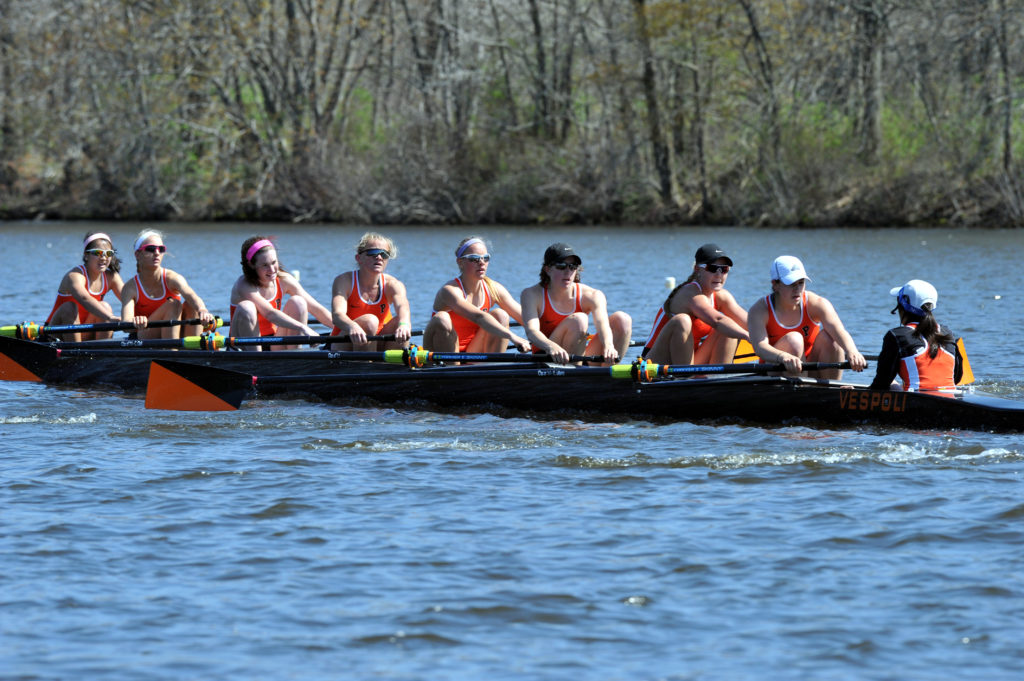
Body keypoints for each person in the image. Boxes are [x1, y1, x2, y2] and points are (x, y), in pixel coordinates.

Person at [747, 255, 866, 379]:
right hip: (775, 370)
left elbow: (838, 330)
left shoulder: (817, 304)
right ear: (775, 284)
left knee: (833, 339)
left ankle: (830, 391)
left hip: (808, 368)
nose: (797, 289)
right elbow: (760, 348)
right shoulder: (759, 310)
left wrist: (852, 351)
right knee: (794, 340)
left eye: (801, 283)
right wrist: (783, 356)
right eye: (791, 283)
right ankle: (800, 391)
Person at [520, 242, 632, 365]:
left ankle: (608, 374)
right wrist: (552, 346)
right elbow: (532, 332)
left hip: (577, 356)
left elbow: (602, 325)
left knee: (623, 320)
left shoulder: (592, 295)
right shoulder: (531, 295)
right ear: (547, 269)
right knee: (579, 319)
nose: (568, 271)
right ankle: (577, 376)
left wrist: (609, 345)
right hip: (547, 355)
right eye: (561, 266)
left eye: (572, 266)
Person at [642, 243, 749, 365]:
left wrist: (769, 337)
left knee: (730, 327)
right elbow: (717, 320)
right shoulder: (690, 293)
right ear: (697, 269)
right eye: (712, 268)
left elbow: (751, 323)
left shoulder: (722, 296)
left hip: (689, 361)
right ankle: (687, 378)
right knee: (682, 320)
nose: (719, 275)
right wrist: (748, 336)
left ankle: (719, 379)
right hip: (654, 362)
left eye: (724, 269)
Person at [422, 236, 530, 353]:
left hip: (473, 351)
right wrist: (513, 337)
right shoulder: (450, 291)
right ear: (460, 262)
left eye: (486, 258)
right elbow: (479, 317)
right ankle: (452, 369)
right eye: (474, 259)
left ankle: (490, 367)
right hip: (445, 351)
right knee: (441, 318)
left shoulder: (493, 288)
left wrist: (548, 341)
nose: (481, 263)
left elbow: (526, 318)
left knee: (501, 315)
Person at [229, 236, 334, 350]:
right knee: (247, 307)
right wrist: (304, 328)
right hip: (244, 344)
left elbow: (316, 308)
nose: (272, 269)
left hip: (274, 341)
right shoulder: (244, 285)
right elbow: (270, 314)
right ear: (251, 265)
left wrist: (343, 328)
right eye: (265, 265)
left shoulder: (284, 280)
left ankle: (294, 356)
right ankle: (255, 360)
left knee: (299, 302)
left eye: (274, 262)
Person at [120, 229, 215, 339]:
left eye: (161, 249)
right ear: (137, 254)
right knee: (173, 304)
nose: (156, 253)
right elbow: (126, 325)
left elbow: (191, 295)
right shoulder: (130, 287)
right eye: (150, 249)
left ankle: (194, 350)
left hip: (176, 331)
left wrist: (203, 311)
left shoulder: (173, 278)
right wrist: (135, 322)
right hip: (145, 334)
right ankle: (172, 351)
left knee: (192, 305)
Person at [870, 280, 963, 391]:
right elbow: (956, 378)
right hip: (951, 399)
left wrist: (852, 395)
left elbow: (881, 385)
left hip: (916, 402)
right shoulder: (947, 333)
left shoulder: (897, 335)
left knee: (892, 383)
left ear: (902, 305)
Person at [330, 232, 412, 350]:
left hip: (379, 340)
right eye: (372, 253)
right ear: (359, 258)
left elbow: (403, 308)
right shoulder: (344, 281)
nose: (378, 257)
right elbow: (337, 315)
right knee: (370, 321)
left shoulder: (393, 284)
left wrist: (404, 325)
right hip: (346, 341)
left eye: (384, 254)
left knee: (402, 320)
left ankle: (393, 366)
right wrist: (353, 326)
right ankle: (364, 365)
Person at [45, 231, 127, 341]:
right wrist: (110, 317)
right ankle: (76, 352)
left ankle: (102, 353)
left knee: (104, 306)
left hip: (85, 332)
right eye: (98, 253)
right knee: (70, 307)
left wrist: (140, 318)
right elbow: (84, 298)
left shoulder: (112, 277)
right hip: (56, 333)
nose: (103, 258)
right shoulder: (75, 275)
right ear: (86, 255)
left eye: (108, 253)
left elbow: (131, 302)